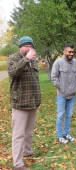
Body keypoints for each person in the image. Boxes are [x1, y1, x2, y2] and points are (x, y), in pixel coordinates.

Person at [7, 36, 41, 170]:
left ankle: (27, 151)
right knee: (18, 134)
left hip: (32, 102)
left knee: (29, 131)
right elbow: (12, 72)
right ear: (20, 47)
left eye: (31, 46)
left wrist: (38, 98)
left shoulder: (34, 60)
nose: (29, 48)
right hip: (20, 102)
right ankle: (18, 164)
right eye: (26, 46)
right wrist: (26, 59)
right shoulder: (13, 58)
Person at [51, 44, 76, 144]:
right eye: (69, 52)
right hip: (61, 95)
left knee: (69, 115)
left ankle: (66, 133)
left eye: (73, 52)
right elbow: (54, 77)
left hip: (72, 95)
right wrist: (61, 88)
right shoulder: (58, 62)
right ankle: (59, 136)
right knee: (60, 115)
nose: (71, 54)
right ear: (64, 52)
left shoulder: (75, 62)